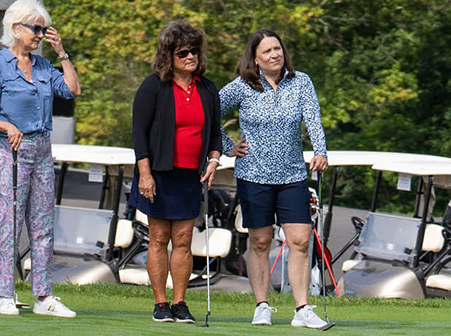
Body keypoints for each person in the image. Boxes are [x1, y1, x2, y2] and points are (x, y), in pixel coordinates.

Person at [0, 0, 81, 317]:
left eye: (43, 29)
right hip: (7, 149)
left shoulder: (45, 66)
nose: (40, 34)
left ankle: (44, 296)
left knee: (43, 224)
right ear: (16, 28)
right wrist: (6, 125)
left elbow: (72, 89)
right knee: (10, 221)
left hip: (41, 148)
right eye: (36, 28)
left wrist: (62, 53)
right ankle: (5, 294)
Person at [219, 29, 329, 329]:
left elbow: (313, 117)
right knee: (260, 241)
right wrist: (228, 146)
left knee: (300, 241)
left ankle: (302, 308)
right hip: (254, 175)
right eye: (267, 51)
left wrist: (321, 150)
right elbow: (210, 110)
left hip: (293, 174)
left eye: (277, 49)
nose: (274, 55)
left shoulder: (301, 81)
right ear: (255, 58)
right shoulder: (242, 87)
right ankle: (262, 305)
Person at [131, 20, 222, 323]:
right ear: (168, 55)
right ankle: (160, 304)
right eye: (183, 52)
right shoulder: (153, 86)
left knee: (183, 238)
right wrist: (145, 174)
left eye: (194, 51)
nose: (190, 57)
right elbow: (139, 133)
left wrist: (213, 159)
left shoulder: (207, 89)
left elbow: (215, 134)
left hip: (189, 174)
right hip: (158, 172)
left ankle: (180, 302)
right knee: (158, 236)